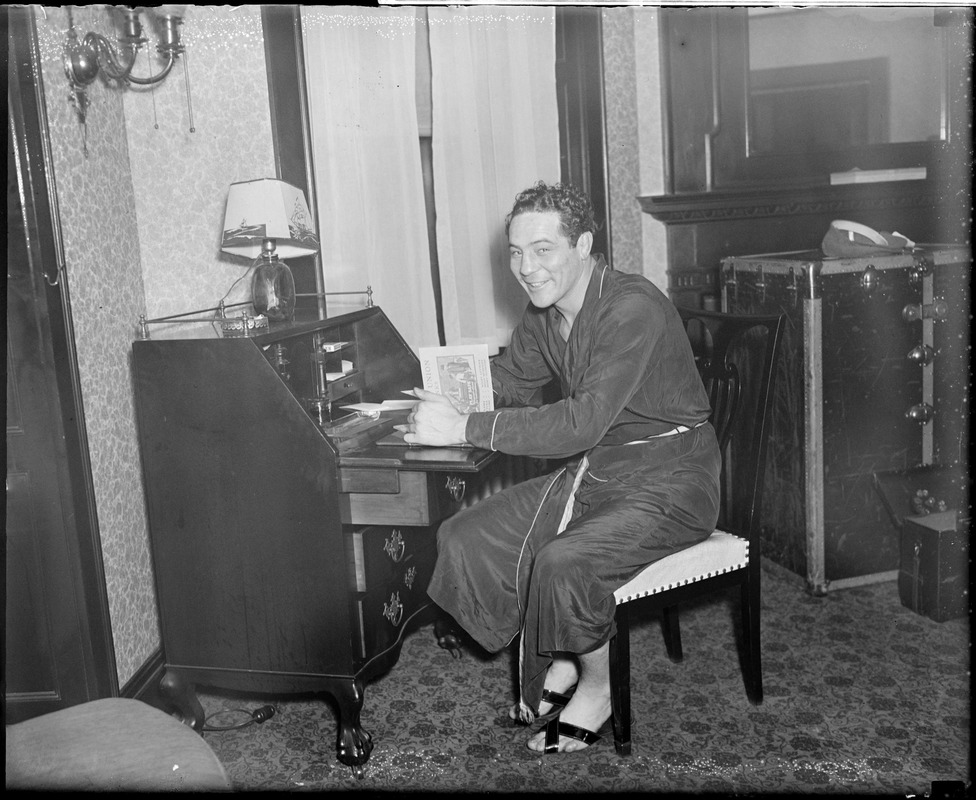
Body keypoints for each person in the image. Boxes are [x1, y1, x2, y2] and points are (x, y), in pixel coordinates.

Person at [395, 181, 720, 754]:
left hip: (671, 481)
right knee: (466, 534)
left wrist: (463, 428)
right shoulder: (546, 316)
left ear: (585, 245)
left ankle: (598, 688)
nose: (527, 267)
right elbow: (508, 381)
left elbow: (580, 424)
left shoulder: (632, 307)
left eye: (543, 250)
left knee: (562, 562)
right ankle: (568, 653)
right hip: (598, 474)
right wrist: (432, 400)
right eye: (516, 252)